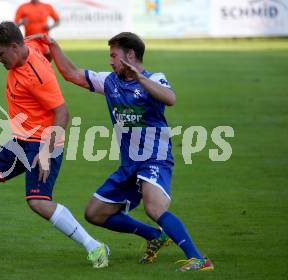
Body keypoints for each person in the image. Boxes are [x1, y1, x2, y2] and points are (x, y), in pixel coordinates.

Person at [30, 32, 214, 272]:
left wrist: (139, 78)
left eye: (113, 55)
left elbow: (170, 98)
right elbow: (72, 74)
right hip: (129, 165)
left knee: (154, 208)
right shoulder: (109, 81)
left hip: (154, 159)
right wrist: (52, 45)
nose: (110, 61)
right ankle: (154, 236)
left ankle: (199, 259)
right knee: (94, 213)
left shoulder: (155, 78)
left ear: (130, 55)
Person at [0, 21, 109, 269]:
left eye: (0, 54)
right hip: (20, 140)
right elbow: (43, 44)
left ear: (15, 47)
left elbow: (62, 113)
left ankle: (95, 246)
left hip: (43, 142)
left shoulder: (37, 77)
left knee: (38, 201)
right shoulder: (28, 44)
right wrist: (49, 43)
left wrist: (45, 151)